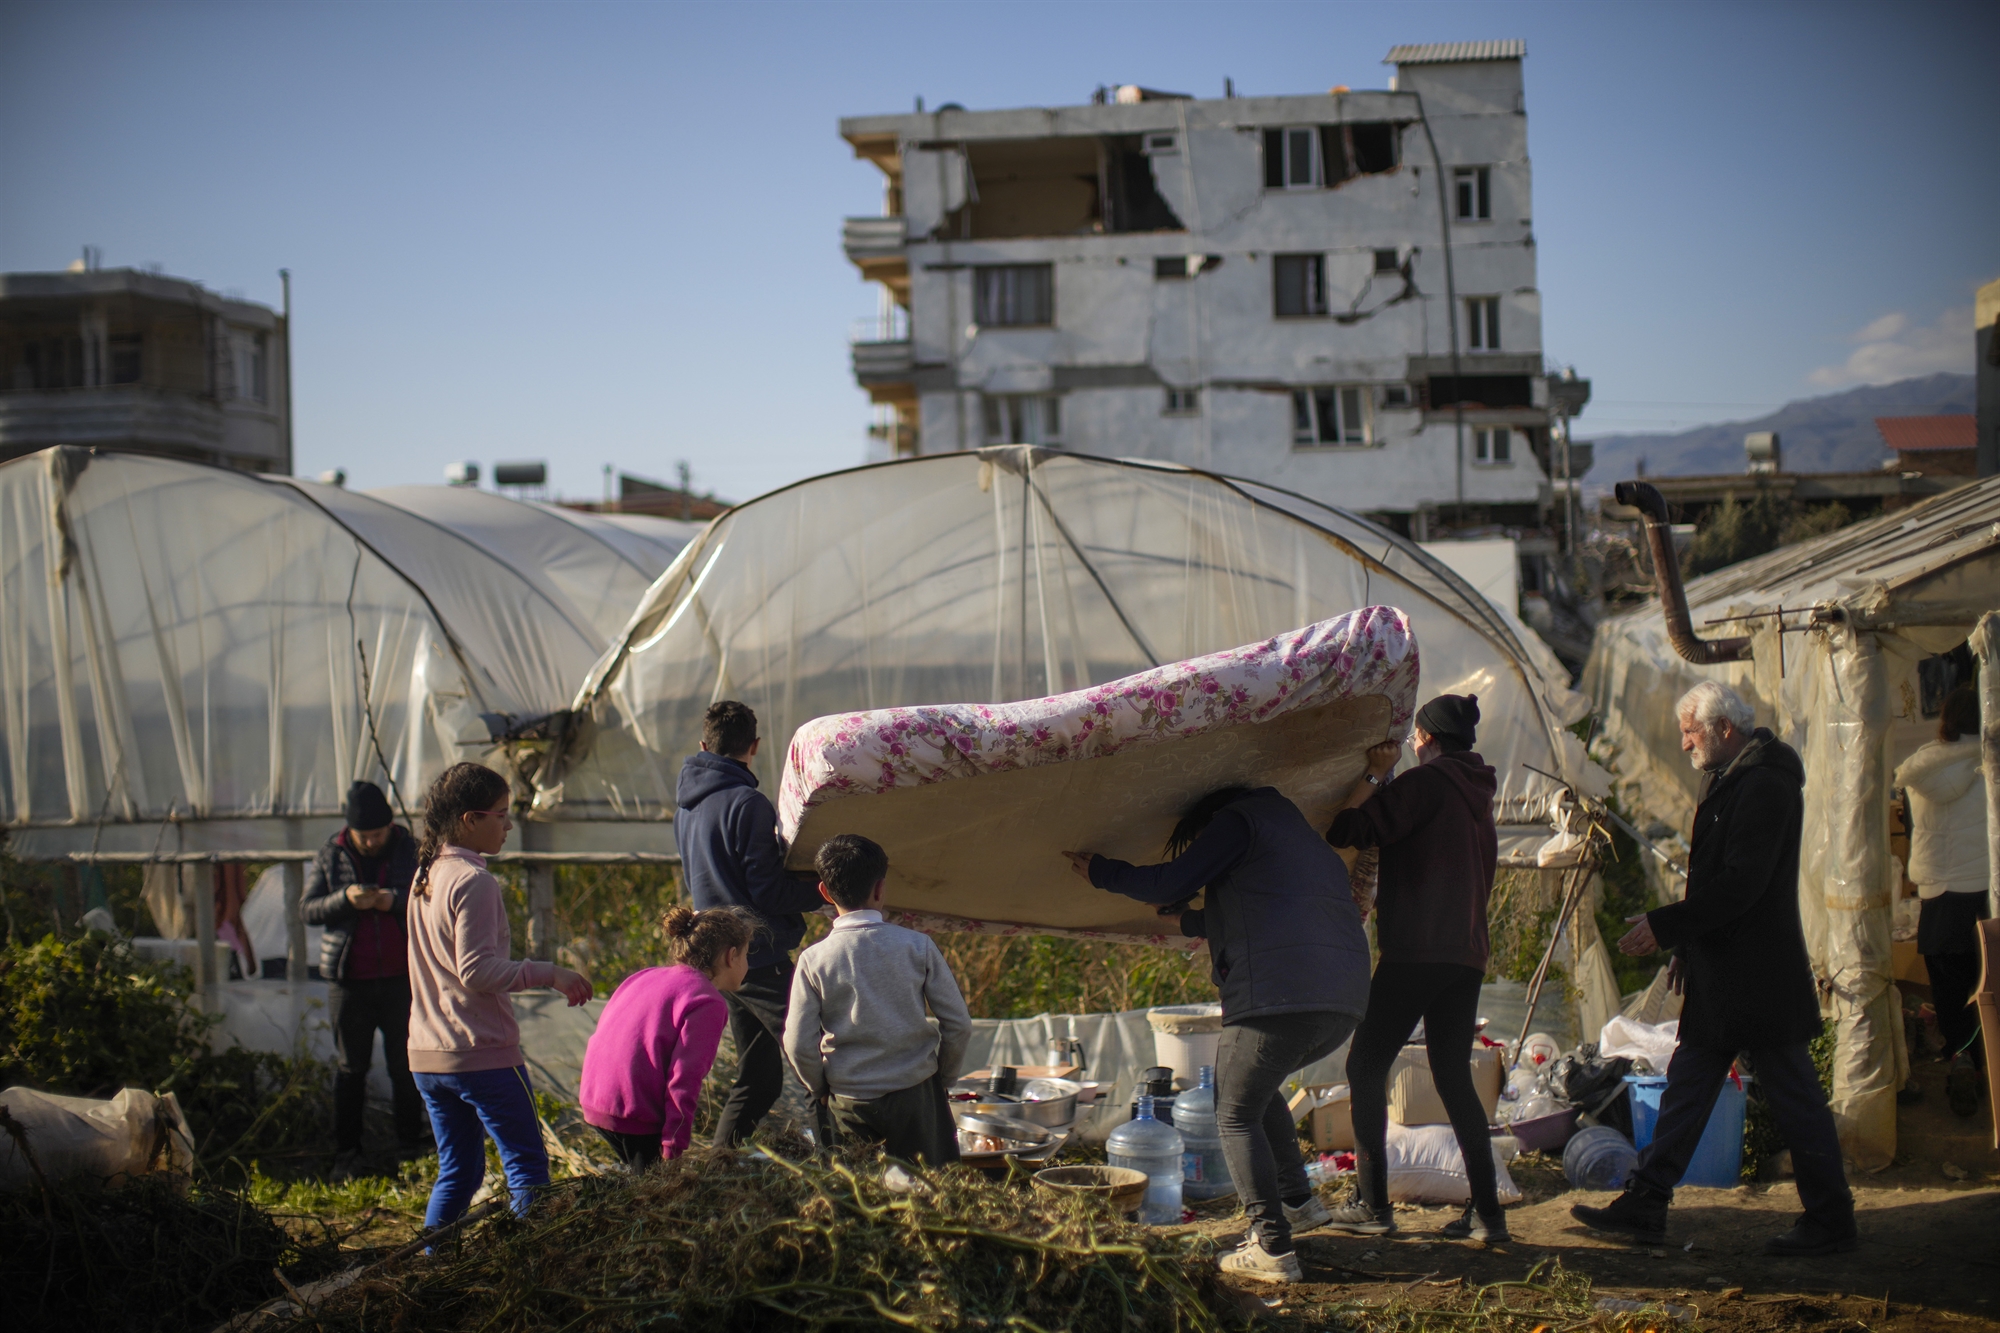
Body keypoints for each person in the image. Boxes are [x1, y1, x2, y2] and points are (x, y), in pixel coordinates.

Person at [1575, 681, 1855, 1256]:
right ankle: (1647, 1200)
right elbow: (1715, 879)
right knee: (1688, 1086)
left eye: (1691, 733)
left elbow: (1740, 886)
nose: (1684, 745)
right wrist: (1685, 947)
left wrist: (1668, 925)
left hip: (1757, 979)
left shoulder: (1766, 787)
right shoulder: (1734, 781)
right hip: (1727, 975)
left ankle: (1831, 1219)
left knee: (1794, 1098)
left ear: (1724, 729)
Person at [1066, 785, 1371, 1285]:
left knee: (1231, 1109)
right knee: (1257, 1086)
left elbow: (1172, 880)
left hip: (1280, 995)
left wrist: (1104, 872)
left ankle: (1271, 1246)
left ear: (1206, 824)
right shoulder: (1303, 842)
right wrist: (1186, 919)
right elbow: (1262, 912)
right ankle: (1298, 1203)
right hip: (1343, 999)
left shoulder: (1238, 821)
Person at [1322, 693, 1506, 1243]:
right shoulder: (1478, 797)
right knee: (1452, 1077)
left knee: (1365, 1065)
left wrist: (1378, 774)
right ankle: (1489, 1215)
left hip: (1417, 951)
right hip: (1465, 956)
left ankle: (1373, 1204)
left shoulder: (1424, 785)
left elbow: (1346, 829)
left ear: (1425, 739)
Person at [404, 762, 594, 1228]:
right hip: (480, 1051)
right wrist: (550, 973)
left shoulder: (425, 875)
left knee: (459, 1172)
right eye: (501, 814)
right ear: (470, 820)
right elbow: (476, 970)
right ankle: (527, 1264)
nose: (509, 825)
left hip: (427, 1055)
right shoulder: (473, 882)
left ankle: (434, 1263)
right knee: (528, 1167)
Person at [677, 700, 829, 1147]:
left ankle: (719, 1166)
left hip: (720, 962)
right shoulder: (748, 804)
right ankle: (839, 1166)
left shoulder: (685, 809)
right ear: (755, 746)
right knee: (814, 1064)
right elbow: (768, 892)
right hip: (757, 959)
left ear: (704, 745)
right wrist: (825, 891)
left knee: (759, 1079)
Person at [782, 834, 972, 1167]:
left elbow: (797, 1042)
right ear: (881, 889)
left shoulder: (814, 960)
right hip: (917, 1093)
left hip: (849, 1099)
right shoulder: (917, 946)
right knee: (930, 1199)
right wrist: (943, 1077)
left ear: (825, 892)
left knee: (860, 1203)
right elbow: (958, 1024)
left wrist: (820, 1086)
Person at [301, 780, 426, 1177]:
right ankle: (348, 1153)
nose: (371, 842)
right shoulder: (331, 853)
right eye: (364, 836)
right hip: (349, 980)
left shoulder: (411, 849)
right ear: (350, 832)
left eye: (377, 834)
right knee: (350, 1068)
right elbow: (308, 909)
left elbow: (431, 902)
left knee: (406, 1065)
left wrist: (393, 902)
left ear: (390, 826)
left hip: (401, 978)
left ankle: (411, 1145)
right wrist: (345, 901)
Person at [579, 905, 760, 1170]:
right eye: (746, 954)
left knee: (633, 1181)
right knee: (652, 1196)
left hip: (596, 1101)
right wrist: (673, 1147)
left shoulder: (644, 976)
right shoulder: (706, 1001)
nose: (748, 964)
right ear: (731, 956)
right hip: (635, 1115)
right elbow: (684, 1079)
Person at [1894, 685, 1990, 1117]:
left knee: (1951, 997)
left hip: (1939, 899)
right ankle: (1988, 1064)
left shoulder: (1920, 770)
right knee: (1989, 993)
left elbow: (1912, 828)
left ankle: (1960, 1056)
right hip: (1987, 899)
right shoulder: (1991, 765)